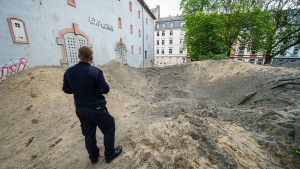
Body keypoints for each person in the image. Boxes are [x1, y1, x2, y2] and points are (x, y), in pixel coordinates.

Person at [62, 46, 122, 164]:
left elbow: (66, 89)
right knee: (109, 127)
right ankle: (109, 154)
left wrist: (79, 89)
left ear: (78, 57)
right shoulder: (95, 72)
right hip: (96, 108)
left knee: (89, 134)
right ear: (91, 58)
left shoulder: (69, 72)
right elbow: (105, 90)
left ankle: (93, 157)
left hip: (80, 109)